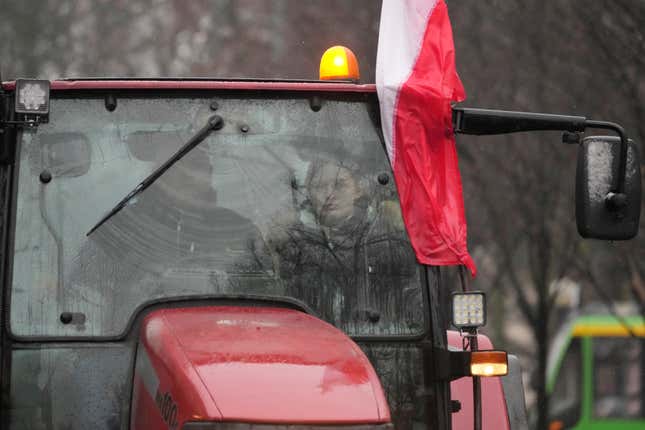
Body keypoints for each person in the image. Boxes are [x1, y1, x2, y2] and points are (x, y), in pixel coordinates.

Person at [268, 158, 420, 334]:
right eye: (319, 187)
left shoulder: (386, 237)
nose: (328, 194)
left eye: (339, 185)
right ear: (308, 193)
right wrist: (274, 244)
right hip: (309, 338)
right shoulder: (293, 240)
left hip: (377, 340)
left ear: (358, 190)